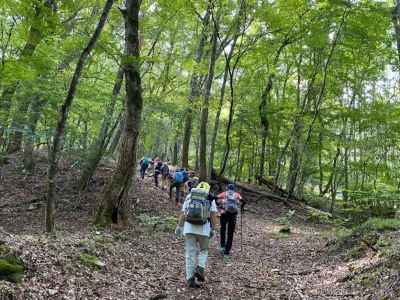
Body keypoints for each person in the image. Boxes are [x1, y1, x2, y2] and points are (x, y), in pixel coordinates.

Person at [175, 182, 218, 288]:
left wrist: (179, 227)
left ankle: (190, 279)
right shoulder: (209, 197)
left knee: (190, 253)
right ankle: (200, 268)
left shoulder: (190, 196)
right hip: (204, 230)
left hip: (189, 228)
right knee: (204, 250)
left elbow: (183, 213)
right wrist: (214, 229)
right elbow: (213, 215)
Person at [217, 183, 244, 261]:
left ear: (227, 188)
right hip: (233, 215)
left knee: (223, 229)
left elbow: (216, 199)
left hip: (224, 213)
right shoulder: (237, 194)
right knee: (230, 233)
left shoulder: (224, 193)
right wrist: (241, 207)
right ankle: (227, 251)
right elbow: (242, 201)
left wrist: (220, 204)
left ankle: (222, 246)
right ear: (234, 189)